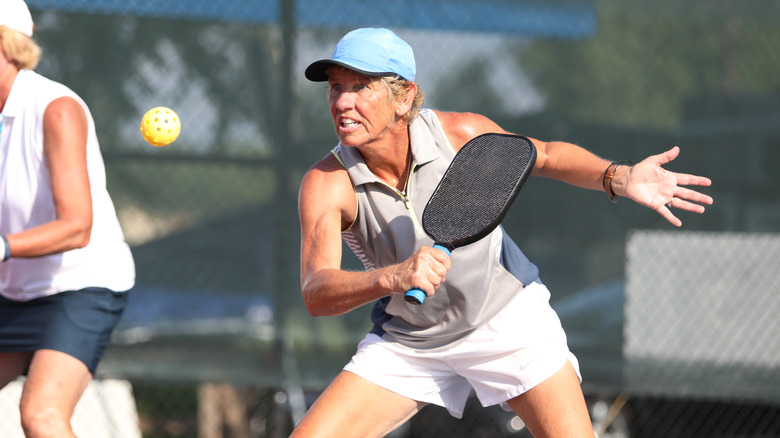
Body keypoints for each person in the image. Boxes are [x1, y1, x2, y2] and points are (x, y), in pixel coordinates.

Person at [294, 28, 712, 438]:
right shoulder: (326, 182)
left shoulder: (460, 135)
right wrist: (393, 277)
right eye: (335, 87)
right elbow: (317, 291)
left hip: (507, 322)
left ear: (403, 96)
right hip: (410, 341)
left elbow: (545, 155)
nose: (342, 102)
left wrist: (618, 177)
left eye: (360, 86)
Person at [0, 1, 136, 436]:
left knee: (40, 414)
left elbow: (78, 227)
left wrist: (1, 247)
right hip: (13, 289)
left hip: (81, 286)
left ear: (5, 45)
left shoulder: (55, 108)